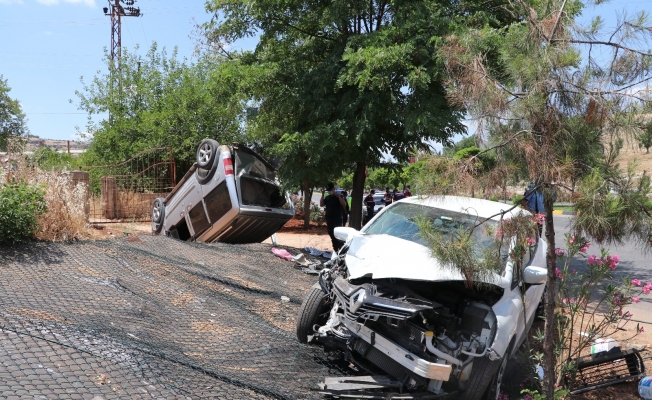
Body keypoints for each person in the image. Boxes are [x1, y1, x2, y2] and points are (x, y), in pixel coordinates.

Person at [320, 182, 347, 251]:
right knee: (332, 235)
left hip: (337, 220)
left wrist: (338, 197)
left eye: (330, 190)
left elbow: (344, 204)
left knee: (338, 236)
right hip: (329, 219)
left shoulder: (339, 197)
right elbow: (321, 204)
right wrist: (322, 195)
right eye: (328, 190)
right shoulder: (327, 198)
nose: (329, 192)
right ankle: (335, 250)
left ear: (333, 189)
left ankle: (341, 250)